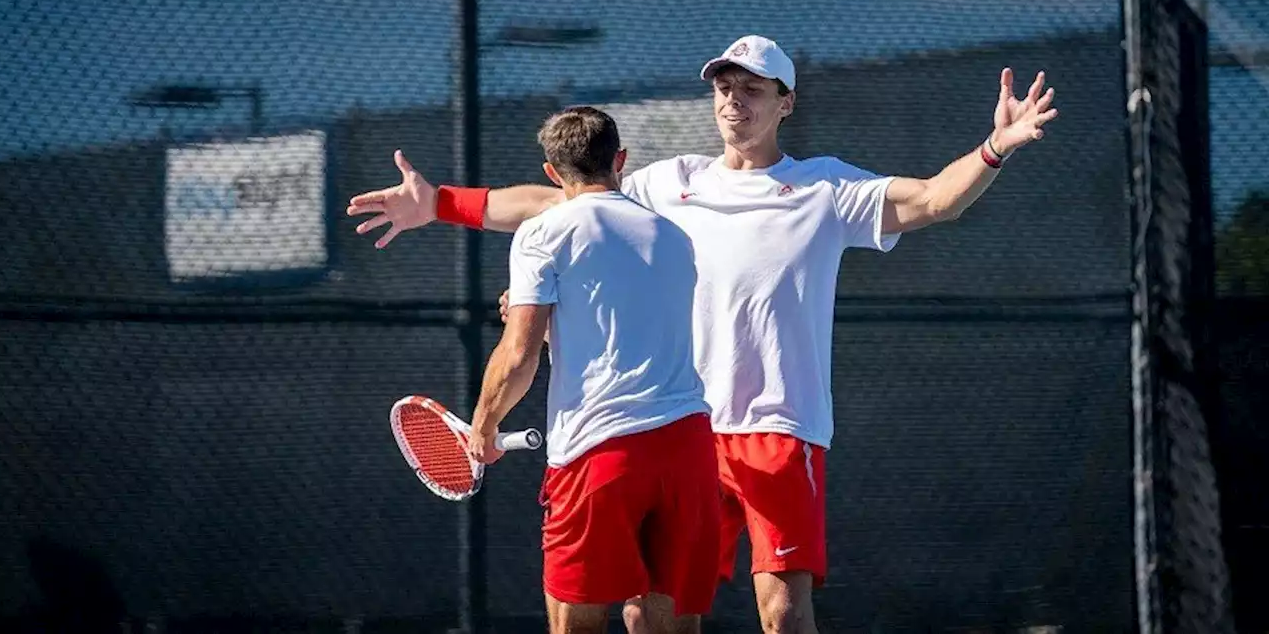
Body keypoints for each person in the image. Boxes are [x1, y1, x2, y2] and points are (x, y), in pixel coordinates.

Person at [347, 36, 1058, 634]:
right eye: (723, 86)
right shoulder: (669, 183)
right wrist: (438, 202)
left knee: (781, 610)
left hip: (779, 427)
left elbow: (934, 198)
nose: (731, 100)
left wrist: (996, 144)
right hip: (681, 428)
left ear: (786, 102)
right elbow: (558, 203)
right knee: (645, 615)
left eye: (751, 88)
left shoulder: (823, 189)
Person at [451, 106, 721, 634]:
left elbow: (517, 358)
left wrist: (482, 428)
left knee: (575, 624)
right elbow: (626, 326)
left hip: (601, 454)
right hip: (687, 449)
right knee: (670, 625)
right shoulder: (675, 237)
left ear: (552, 174)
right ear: (619, 160)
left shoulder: (541, 233)